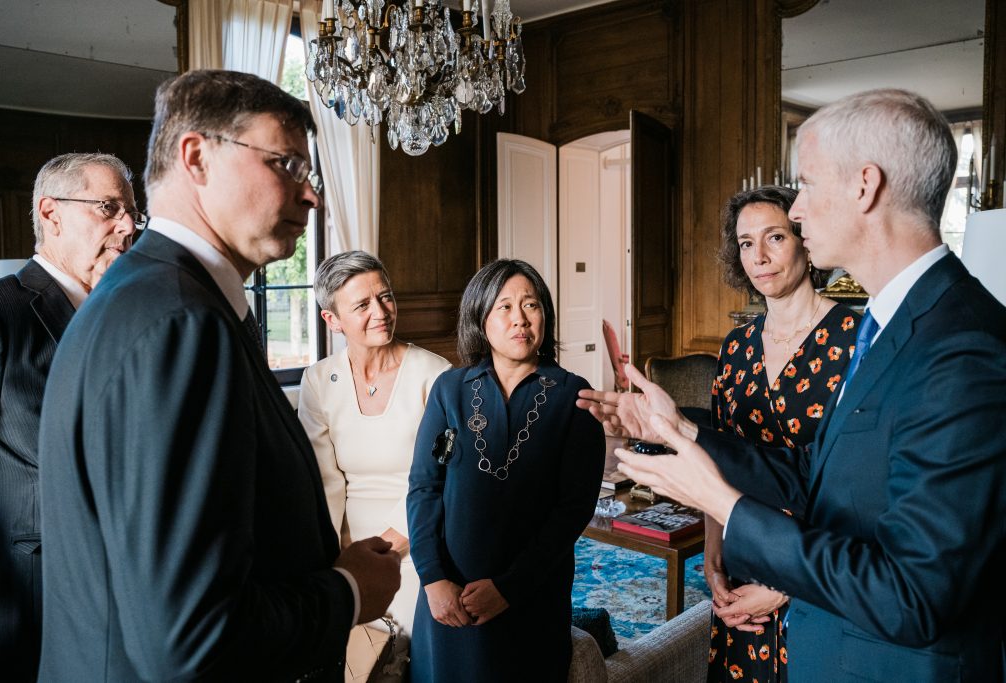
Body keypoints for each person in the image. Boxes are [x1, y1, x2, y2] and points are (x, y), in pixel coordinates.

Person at [578, 89, 1006, 682]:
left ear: (865, 186)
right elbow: (819, 476)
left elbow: (913, 595)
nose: (797, 209)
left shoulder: (962, 345)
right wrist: (680, 429)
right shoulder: (894, 322)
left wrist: (723, 501)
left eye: (806, 183)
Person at [36, 70, 400, 682]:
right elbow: (188, 640)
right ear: (197, 156)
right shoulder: (179, 323)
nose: (311, 195)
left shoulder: (147, 297)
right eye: (286, 165)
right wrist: (348, 592)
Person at [407, 259, 605, 682]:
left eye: (531, 305)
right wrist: (433, 579)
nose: (520, 319)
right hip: (449, 597)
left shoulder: (575, 396)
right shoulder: (450, 390)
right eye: (504, 307)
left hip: (530, 596)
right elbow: (424, 488)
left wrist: (508, 589)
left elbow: (574, 510)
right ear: (480, 317)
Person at [0, 152, 138, 682]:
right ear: (51, 213)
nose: (129, 226)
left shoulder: (124, 314)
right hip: (29, 590)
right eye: (109, 207)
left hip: (125, 583)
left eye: (132, 212)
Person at [705, 185, 859, 683]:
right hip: (743, 560)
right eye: (747, 243)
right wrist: (713, 558)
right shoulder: (736, 347)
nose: (760, 256)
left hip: (821, 572)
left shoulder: (855, 340)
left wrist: (786, 585)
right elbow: (717, 460)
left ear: (805, 242)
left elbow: (861, 489)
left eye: (775, 237)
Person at [298, 250, 451, 636]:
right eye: (363, 304)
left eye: (385, 297)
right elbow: (321, 483)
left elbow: (442, 478)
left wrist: (383, 551)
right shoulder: (318, 381)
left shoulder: (435, 375)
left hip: (422, 541)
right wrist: (338, 562)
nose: (380, 311)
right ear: (332, 320)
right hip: (346, 550)